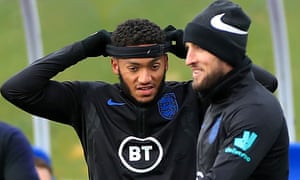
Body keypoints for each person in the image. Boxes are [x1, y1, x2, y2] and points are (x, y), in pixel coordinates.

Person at [0, 18, 277, 179]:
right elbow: (17, 89)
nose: (145, 78)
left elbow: (264, 85)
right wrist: (84, 48)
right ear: (115, 66)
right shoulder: (89, 100)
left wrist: (189, 46)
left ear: (166, 64)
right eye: (134, 68)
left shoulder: (193, 97)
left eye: (154, 66)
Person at [183, 1, 289, 179]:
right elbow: (267, 80)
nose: (188, 60)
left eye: (199, 48)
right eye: (188, 49)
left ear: (223, 52)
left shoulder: (255, 110)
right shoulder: (220, 94)